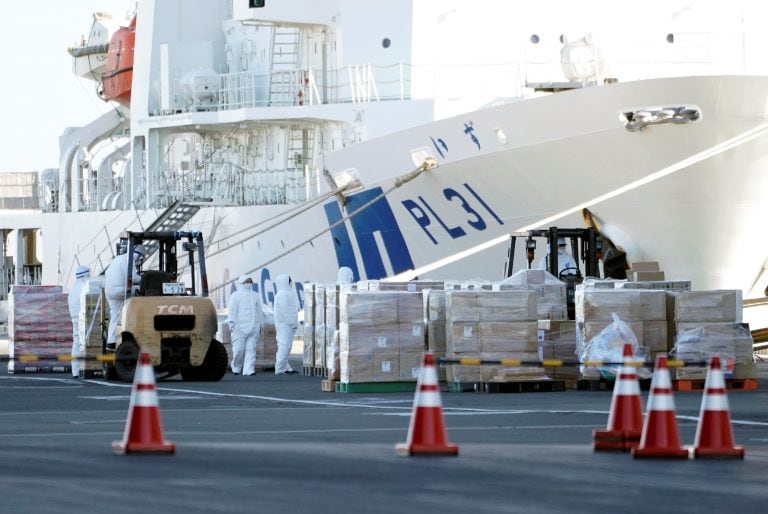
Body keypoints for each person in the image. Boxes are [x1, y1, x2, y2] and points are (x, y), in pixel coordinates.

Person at [104, 244, 147, 350]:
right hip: (119, 290)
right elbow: (133, 278)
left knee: (114, 316)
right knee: (139, 290)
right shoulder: (130, 259)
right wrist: (144, 278)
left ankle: (111, 342)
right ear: (140, 256)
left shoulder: (118, 258)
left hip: (109, 290)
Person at [227, 275, 265, 376]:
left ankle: (249, 369)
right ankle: (236, 367)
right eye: (247, 281)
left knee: (251, 349)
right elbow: (232, 310)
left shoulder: (255, 295)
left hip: (253, 327)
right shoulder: (235, 296)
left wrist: (261, 324)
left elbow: (259, 311)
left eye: (250, 281)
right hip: (239, 328)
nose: (249, 283)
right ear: (242, 283)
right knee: (238, 350)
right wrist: (231, 322)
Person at [273, 274, 299, 375]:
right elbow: (286, 311)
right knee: (285, 346)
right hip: (285, 324)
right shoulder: (283, 294)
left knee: (284, 345)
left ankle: (286, 367)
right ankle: (279, 368)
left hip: (286, 324)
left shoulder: (286, 293)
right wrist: (292, 323)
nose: (291, 283)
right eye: (289, 281)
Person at [67, 265, 90, 378]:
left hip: (75, 319)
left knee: (76, 343)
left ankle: (75, 371)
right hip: (84, 319)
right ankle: (87, 367)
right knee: (87, 343)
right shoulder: (85, 286)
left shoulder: (73, 289)